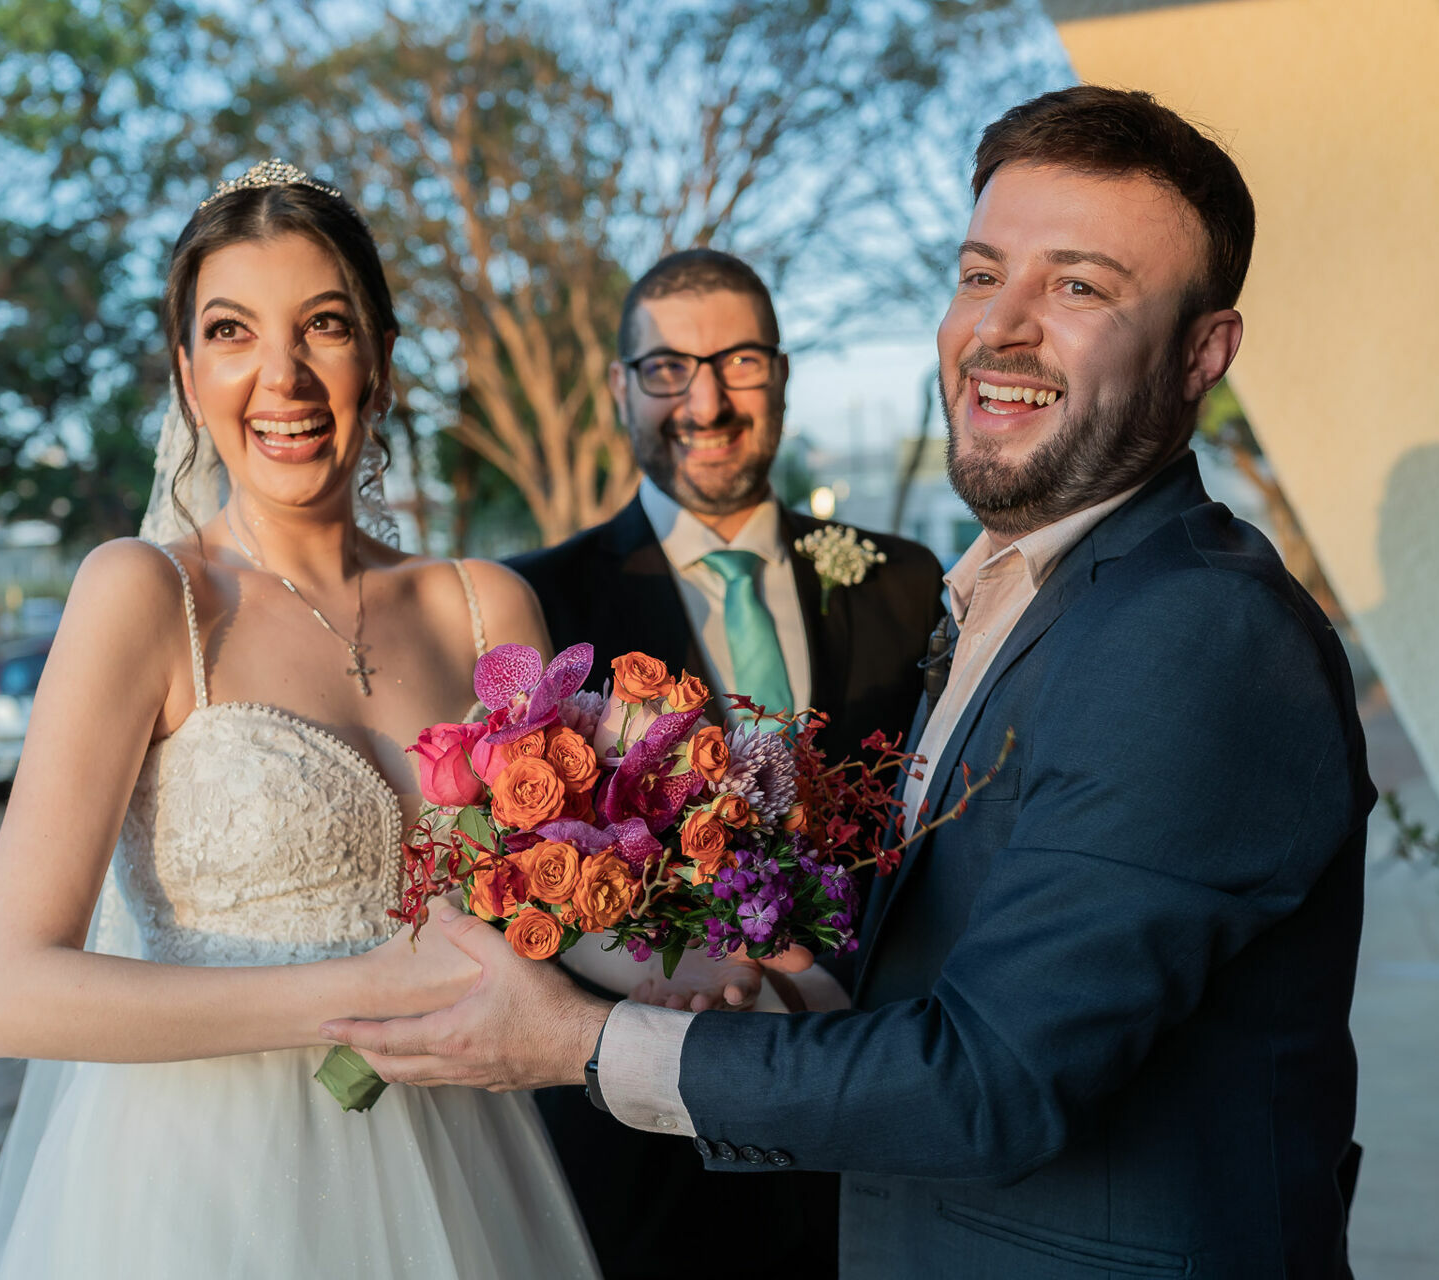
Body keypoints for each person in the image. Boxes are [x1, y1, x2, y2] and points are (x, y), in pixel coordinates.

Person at [324, 87, 1377, 1279]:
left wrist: (580, 1039)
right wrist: (790, 996)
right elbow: (951, 955)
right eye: (982, 274)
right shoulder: (1013, 591)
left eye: (1078, 286)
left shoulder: (1198, 632)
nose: (1004, 328)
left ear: (1203, 352)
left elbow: (989, 1084)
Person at [0, 160, 598, 1279]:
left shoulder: (485, 606)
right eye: (233, 330)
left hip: (457, 1167)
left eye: (326, 326)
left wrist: (712, 963)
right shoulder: (149, 596)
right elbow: (7, 991)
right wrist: (365, 992)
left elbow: (569, 906)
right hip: (195, 1189)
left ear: (383, 361)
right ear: (187, 371)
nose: (283, 376)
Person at [506, 248, 942, 1279]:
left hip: (886, 1128)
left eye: (739, 361)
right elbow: (521, 877)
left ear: (782, 375)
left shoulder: (904, 579)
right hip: (651, 1155)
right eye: (667, 368)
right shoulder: (541, 604)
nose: (705, 400)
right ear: (622, 388)